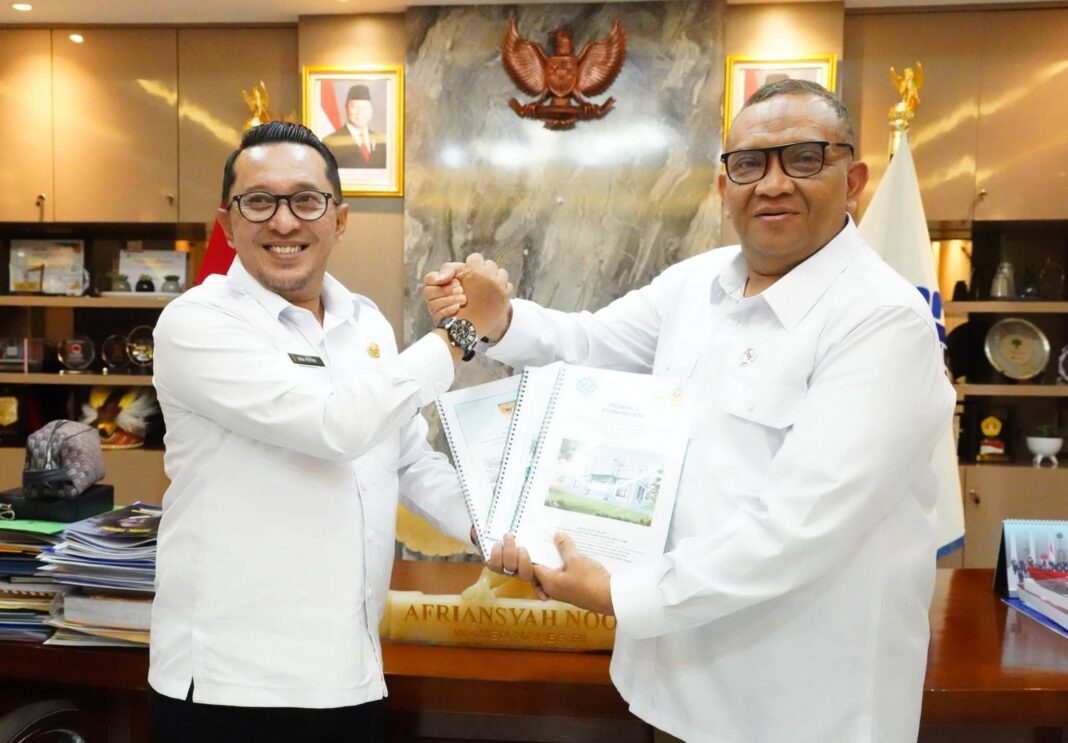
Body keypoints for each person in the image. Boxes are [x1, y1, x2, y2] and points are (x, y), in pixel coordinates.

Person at [424, 80, 955, 743]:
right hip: (672, 691)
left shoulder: (882, 320)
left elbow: (797, 526)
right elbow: (588, 343)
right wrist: (495, 318)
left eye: (804, 158)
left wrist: (618, 594)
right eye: (750, 163)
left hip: (798, 708)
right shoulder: (697, 284)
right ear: (724, 186)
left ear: (853, 181)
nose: (774, 184)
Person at [149, 121, 508, 743]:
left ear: (339, 220)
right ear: (227, 224)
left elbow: (407, 459)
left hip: (349, 674)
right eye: (258, 201)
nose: (284, 221)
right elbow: (334, 426)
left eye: (306, 200)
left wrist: (498, 526)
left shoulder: (365, 323)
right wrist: (459, 332)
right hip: (232, 685)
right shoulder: (197, 323)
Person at [323, 84, 387, 169]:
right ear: (346, 109)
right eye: (355, 107)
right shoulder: (330, 142)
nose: (360, 112)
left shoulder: (381, 141)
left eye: (364, 107)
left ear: (371, 110)